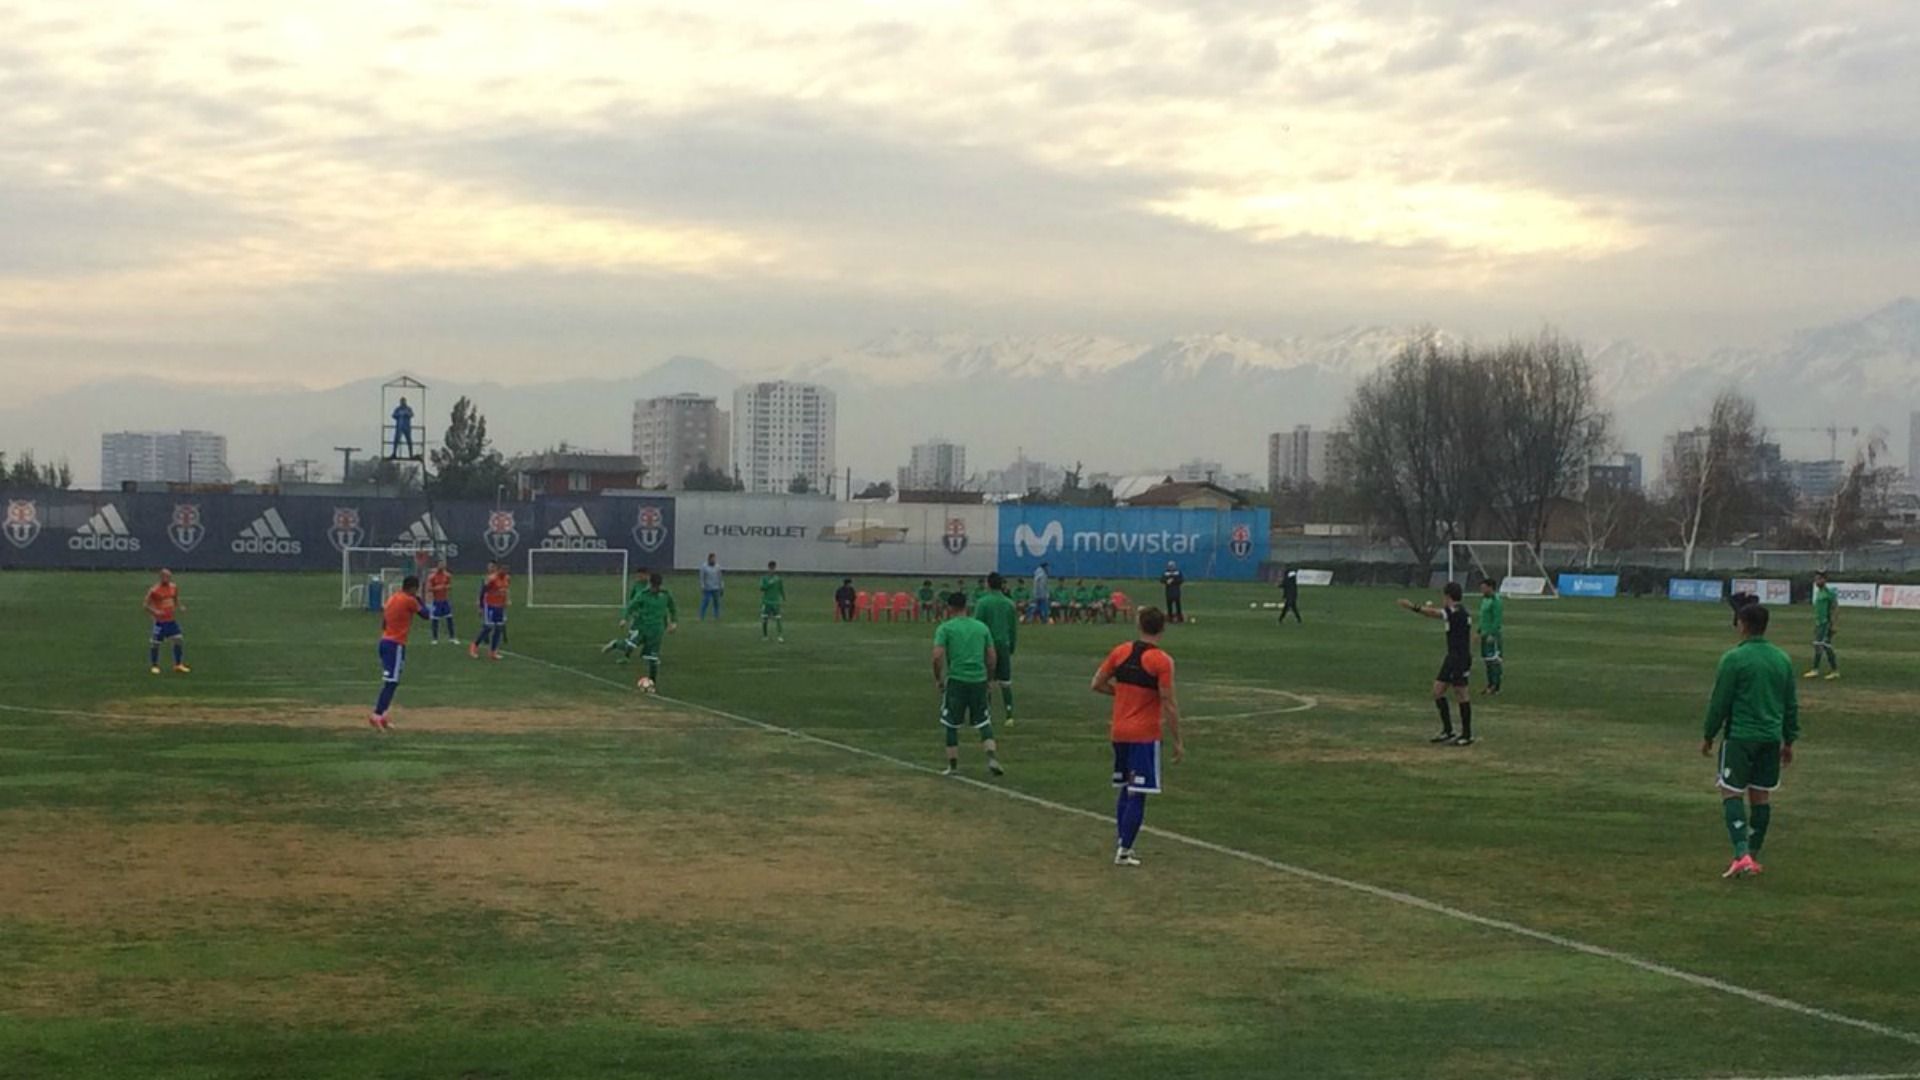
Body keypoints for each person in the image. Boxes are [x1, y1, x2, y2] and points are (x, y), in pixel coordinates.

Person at [1702, 602, 1800, 879]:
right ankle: (1753, 856)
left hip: (1741, 737)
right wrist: (1789, 739)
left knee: (1730, 790)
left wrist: (1708, 734)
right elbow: (1790, 703)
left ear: (1742, 625)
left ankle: (1741, 852)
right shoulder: (1782, 659)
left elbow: (1719, 701)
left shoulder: (1734, 659)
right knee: (1760, 795)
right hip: (1770, 738)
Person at [1092, 606, 1184, 868]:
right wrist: (1178, 740)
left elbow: (1096, 683)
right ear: (1162, 628)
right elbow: (1169, 702)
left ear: (1139, 625)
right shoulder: (1162, 661)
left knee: (1125, 788)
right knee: (1138, 791)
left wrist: (1120, 694)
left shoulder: (1120, 652)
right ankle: (1125, 849)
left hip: (1119, 732)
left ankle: (1123, 841)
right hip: (1144, 735)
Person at [932, 592, 1004, 777]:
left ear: (950, 608)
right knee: (983, 720)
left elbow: (937, 656)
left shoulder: (946, 628)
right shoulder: (981, 628)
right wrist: (989, 678)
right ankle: (991, 758)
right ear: (967, 607)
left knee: (951, 722)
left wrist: (938, 678)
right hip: (978, 679)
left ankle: (953, 765)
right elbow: (991, 656)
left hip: (957, 679)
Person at [1398, 582, 1475, 746]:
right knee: (1438, 690)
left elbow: (1433, 613)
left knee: (1461, 692)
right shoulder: (1459, 611)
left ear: (1448, 596)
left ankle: (1467, 734)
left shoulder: (1456, 611)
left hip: (1459, 658)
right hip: (1452, 656)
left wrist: (1413, 607)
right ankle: (1448, 730)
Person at [370, 574, 429, 732]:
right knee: (392, 682)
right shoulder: (409, 600)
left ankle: (383, 714)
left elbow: (384, 622)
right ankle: (376, 715)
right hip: (395, 644)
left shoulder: (393, 598)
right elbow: (426, 615)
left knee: (391, 681)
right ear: (413, 588)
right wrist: (419, 599)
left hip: (385, 641)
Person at [973, 572, 1019, 725]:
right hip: (1004, 645)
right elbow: (1013, 628)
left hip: (988, 646)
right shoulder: (1009, 604)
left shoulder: (982, 603)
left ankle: (986, 714)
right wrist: (1011, 646)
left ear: (988, 584)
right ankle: (1009, 715)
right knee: (1005, 681)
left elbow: (977, 626)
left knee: (987, 680)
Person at [625, 572, 678, 691]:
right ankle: (617, 647)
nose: (655, 588)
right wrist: (625, 618)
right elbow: (631, 606)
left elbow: (672, 607)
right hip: (642, 628)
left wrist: (674, 622)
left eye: (657, 586)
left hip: (656, 631)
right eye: (653, 586)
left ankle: (652, 683)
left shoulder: (665, 595)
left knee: (653, 658)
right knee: (629, 645)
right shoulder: (644, 595)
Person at [144, 569, 190, 675]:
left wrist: (180, 606)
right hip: (160, 622)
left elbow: (175, 599)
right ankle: (154, 665)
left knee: (178, 639)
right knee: (156, 643)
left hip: (171, 620)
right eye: (165, 577)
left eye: (169, 577)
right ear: (161, 577)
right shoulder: (154, 590)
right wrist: (155, 611)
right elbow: (145, 605)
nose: (167, 579)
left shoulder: (173, 587)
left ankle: (178, 665)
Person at [470, 561, 510, 661]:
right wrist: (480, 605)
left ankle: (493, 651)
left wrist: (506, 600)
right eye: (503, 570)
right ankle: (474, 646)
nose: (504, 572)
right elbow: (483, 591)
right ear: (499, 569)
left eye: (506, 570)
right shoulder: (491, 579)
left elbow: (505, 590)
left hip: (500, 606)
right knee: (488, 627)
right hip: (490, 605)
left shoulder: (507, 578)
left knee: (499, 628)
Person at [1805, 572, 1839, 680]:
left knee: (1824, 645)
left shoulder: (1829, 593)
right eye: (1816, 579)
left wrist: (1834, 625)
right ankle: (1816, 669)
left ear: (1824, 580)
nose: (1816, 582)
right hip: (1819, 623)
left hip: (1826, 623)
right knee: (1819, 645)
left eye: (1819, 579)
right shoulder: (1819, 592)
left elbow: (1835, 609)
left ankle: (1834, 671)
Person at [1477, 578, 1505, 695]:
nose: (1481, 589)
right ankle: (1489, 684)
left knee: (1494, 660)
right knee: (1487, 661)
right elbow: (1483, 618)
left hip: (1491, 636)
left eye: (1483, 587)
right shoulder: (1485, 600)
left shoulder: (1496, 600)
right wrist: (1478, 631)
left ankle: (1496, 686)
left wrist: (1492, 634)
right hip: (1484, 634)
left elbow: (1497, 619)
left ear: (1490, 587)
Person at [426, 560, 458, 645]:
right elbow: (429, 589)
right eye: (440, 565)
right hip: (436, 601)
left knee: (449, 618)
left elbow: (450, 586)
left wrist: (446, 587)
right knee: (435, 620)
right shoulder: (432, 576)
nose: (442, 566)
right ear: (437, 565)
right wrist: (437, 588)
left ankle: (452, 638)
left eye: (443, 565)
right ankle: (434, 638)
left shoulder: (447, 575)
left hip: (445, 600)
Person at [760, 561, 786, 642]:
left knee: (778, 618)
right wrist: (769, 584)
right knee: (765, 619)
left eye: (773, 568)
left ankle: (780, 636)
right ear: (768, 568)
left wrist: (783, 597)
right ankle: (765, 636)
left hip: (775, 602)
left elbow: (781, 589)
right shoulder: (764, 578)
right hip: (766, 602)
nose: (772, 570)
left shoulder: (778, 579)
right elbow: (762, 588)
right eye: (771, 568)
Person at [698, 553, 725, 621]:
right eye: (712, 559)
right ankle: (701, 616)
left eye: (714, 559)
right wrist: (702, 586)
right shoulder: (704, 567)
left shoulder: (717, 567)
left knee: (716, 603)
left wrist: (721, 586)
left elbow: (720, 578)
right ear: (709, 559)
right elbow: (702, 578)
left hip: (716, 588)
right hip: (707, 588)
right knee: (705, 602)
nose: (713, 560)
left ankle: (717, 616)